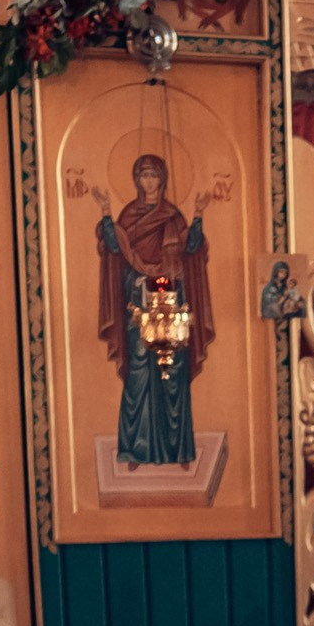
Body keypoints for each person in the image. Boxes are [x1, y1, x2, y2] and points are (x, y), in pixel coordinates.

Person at [94, 154, 212, 469]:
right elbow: (115, 246)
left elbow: (189, 248)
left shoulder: (173, 216)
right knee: (138, 372)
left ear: (162, 179)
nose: (148, 181)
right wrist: (106, 213)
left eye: (153, 175)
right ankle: (136, 450)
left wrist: (198, 214)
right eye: (143, 175)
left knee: (173, 373)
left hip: (171, 300)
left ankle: (178, 450)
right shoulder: (129, 215)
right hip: (139, 300)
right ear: (137, 180)